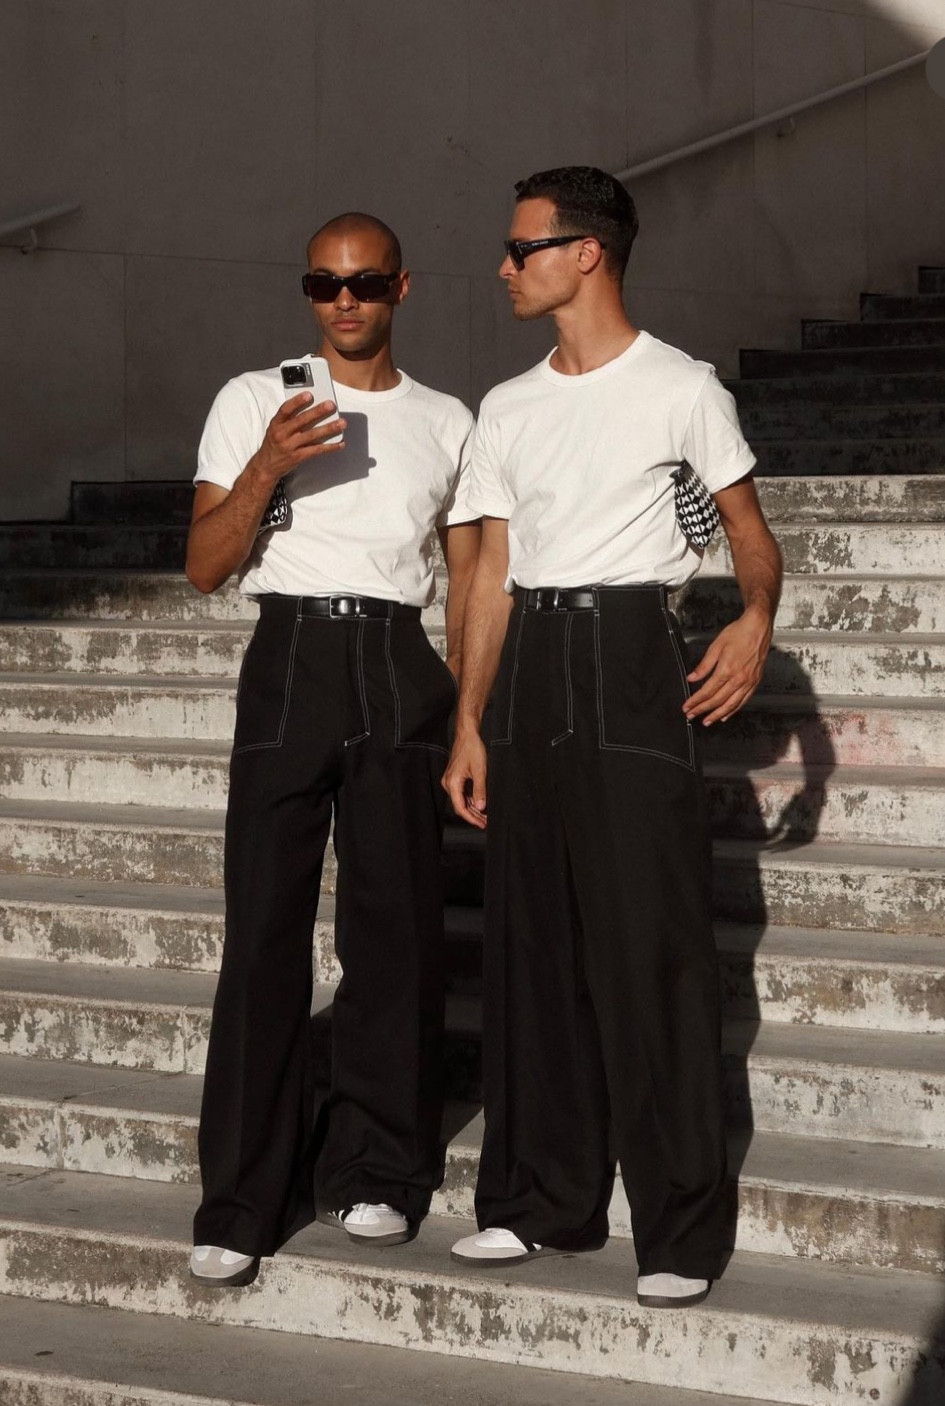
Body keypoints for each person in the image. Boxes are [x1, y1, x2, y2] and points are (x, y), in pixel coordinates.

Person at [443, 167, 781, 1308]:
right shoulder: (507, 405)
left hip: (635, 656)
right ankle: (541, 1198)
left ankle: (679, 1227)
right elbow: (488, 569)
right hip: (532, 659)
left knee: (651, 947)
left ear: (585, 251)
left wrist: (755, 617)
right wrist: (470, 721)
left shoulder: (681, 386)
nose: (504, 266)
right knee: (534, 944)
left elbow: (749, 533)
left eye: (520, 246)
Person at [186, 212, 481, 1287]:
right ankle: (240, 1194)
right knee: (263, 928)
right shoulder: (252, 398)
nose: (343, 301)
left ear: (402, 287)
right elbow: (206, 564)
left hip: (399, 657)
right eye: (324, 283)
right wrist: (269, 462)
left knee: (394, 927)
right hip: (292, 655)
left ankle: (379, 1168)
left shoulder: (450, 420)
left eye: (363, 283)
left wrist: (470, 717)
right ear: (308, 291)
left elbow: (469, 582)